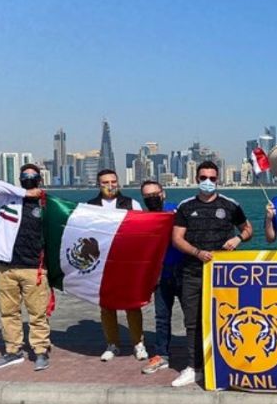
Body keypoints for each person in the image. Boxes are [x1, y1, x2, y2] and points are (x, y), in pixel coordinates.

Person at [171, 161, 253, 387]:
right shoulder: (186, 206)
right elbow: (177, 238)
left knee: (228, 321)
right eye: (203, 178)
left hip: (224, 276)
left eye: (212, 178)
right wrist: (197, 253)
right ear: (196, 179)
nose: (208, 182)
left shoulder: (230, 205)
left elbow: (248, 230)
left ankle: (227, 364)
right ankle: (193, 367)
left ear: (218, 179)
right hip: (192, 273)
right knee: (193, 322)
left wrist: (237, 239)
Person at [0, 164, 51, 371]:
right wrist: (25, 192)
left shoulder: (46, 203)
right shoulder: (7, 199)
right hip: (5, 266)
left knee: (37, 313)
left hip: (34, 267)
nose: (29, 178)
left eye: (33, 176)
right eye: (25, 175)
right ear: (20, 179)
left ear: (40, 179)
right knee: (8, 312)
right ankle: (13, 351)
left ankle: (40, 351)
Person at [88, 169, 146, 362]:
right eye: (105, 182)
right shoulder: (90, 206)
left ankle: (138, 343)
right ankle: (112, 344)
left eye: (113, 181)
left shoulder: (132, 203)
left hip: (127, 261)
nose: (110, 185)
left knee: (132, 305)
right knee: (107, 305)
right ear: (99, 184)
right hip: (102, 262)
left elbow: (141, 230)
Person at [139, 180, 184, 375]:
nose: (152, 198)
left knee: (192, 317)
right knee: (161, 318)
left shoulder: (177, 210)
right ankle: (161, 354)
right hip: (160, 276)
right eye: (147, 196)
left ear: (163, 193)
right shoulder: (141, 219)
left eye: (155, 194)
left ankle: (197, 355)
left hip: (183, 272)